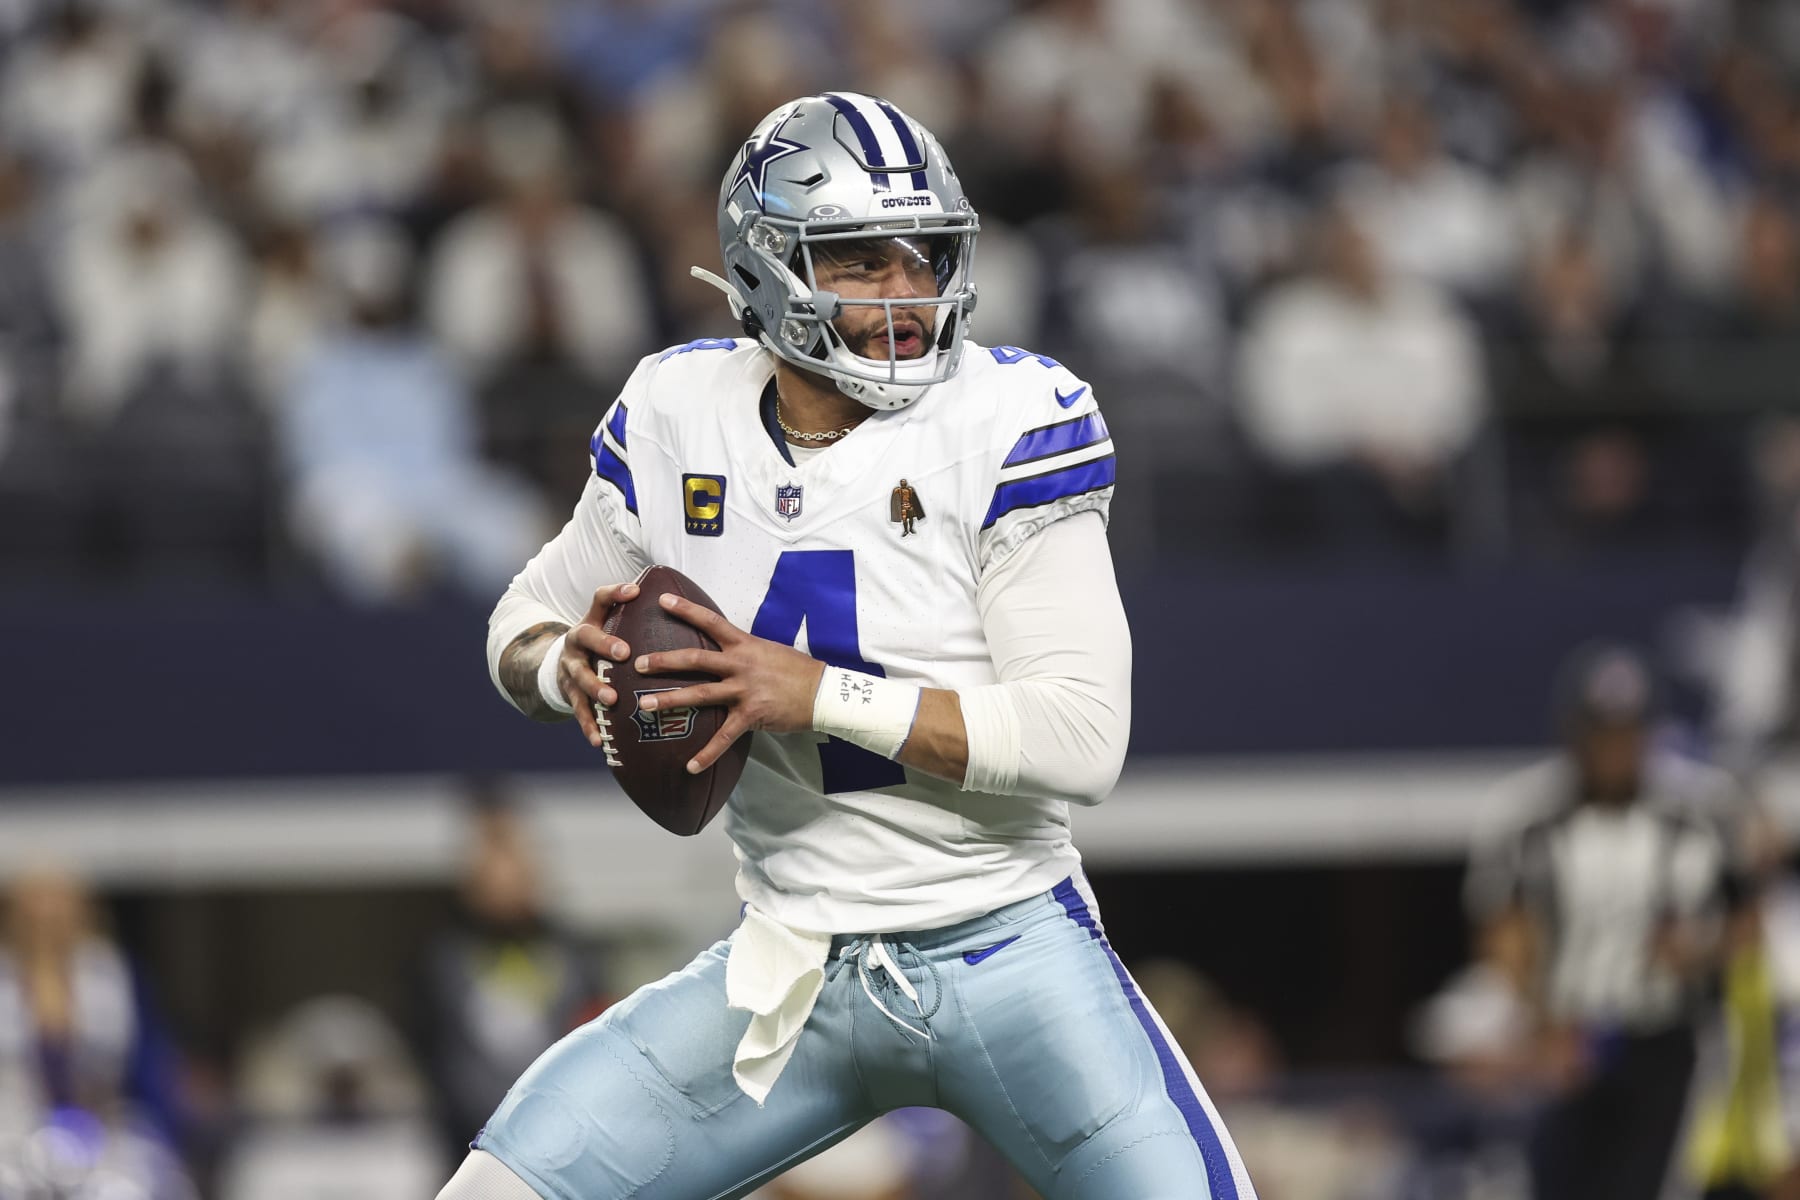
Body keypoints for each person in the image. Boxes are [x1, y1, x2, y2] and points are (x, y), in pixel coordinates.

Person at [449, 92, 1257, 1200]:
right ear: (767, 267)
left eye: (923, 259)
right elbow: (519, 622)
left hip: (1008, 944)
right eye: (861, 263)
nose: (907, 296)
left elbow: (1081, 738)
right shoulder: (680, 409)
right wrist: (564, 666)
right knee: (499, 1188)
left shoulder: (1009, 417)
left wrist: (818, 693)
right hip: (789, 968)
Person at [1465, 644, 1749, 1200]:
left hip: (1665, 1038)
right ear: (1576, 735)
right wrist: (1540, 1022)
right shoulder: (1528, 819)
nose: (1616, 751)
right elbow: (1503, 933)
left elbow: (1747, 919)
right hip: (1569, 1032)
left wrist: (1701, 949)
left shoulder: (1700, 815)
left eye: (1627, 734)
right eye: (1603, 735)